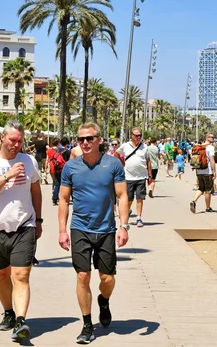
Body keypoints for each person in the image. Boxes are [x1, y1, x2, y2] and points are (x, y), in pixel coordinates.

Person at [58, 122, 129, 343]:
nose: (85, 143)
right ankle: (87, 324)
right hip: (80, 228)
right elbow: (63, 199)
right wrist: (62, 230)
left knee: (107, 278)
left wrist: (124, 226)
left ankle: (104, 301)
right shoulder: (71, 167)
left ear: (99, 139)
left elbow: (123, 196)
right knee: (82, 276)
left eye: (89, 138)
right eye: (81, 139)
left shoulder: (113, 164)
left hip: (106, 229)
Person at [0, 121, 42, 343]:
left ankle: (22, 321)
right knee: (1, 274)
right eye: (13, 140)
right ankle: (8, 312)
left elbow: (35, 190)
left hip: (25, 225)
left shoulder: (29, 161)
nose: (16, 144)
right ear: (2, 138)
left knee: (21, 276)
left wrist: (39, 219)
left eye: (20, 141)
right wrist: (8, 176)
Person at [116, 127, 152, 228]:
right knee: (129, 200)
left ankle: (139, 218)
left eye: (140, 135)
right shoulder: (125, 146)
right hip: (129, 177)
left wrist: (150, 176)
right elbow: (117, 154)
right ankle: (125, 216)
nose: (138, 137)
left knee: (140, 198)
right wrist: (123, 163)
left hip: (141, 177)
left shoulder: (144, 147)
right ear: (131, 135)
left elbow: (148, 161)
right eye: (136, 135)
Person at [190, 132, 217, 214]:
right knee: (208, 190)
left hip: (199, 170)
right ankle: (208, 208)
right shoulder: (210, 147)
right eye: (211, 137)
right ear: (207, 138)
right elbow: (212, 160)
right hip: (207, 171)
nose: (213, 139)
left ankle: (193, 201)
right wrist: (214, 171)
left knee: (201, 188)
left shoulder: (198, 147)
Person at [47, 139, 65, 205]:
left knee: (55, 182)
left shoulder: (49, 150)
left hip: (52, 167)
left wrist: (46, 166)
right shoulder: (59, 150)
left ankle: (54, 196)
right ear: (58, 143)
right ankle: (56, 197)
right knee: (58, 183)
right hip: (59, 168)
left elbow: (48, 158)